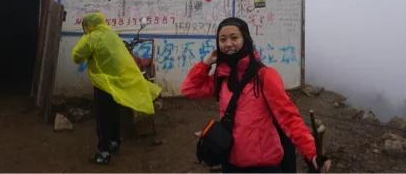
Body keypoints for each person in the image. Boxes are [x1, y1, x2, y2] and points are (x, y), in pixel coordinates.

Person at [181, 17, 330, 173]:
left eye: (234, 37)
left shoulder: (265, 76)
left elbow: (289, 118)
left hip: (263, 166)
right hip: (230, 162)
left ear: (245, 39)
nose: (228, 44)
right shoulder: (223, 77)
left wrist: (312, 152)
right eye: (222, 39)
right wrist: (205, 64)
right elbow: (189, 89)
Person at [72, 12, 162, 165]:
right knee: (114, 113)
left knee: (102, 118)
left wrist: (87, 45)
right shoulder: (112, 35)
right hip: (118, 83)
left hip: (103, 84)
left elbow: (76, 57)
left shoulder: (91, 38)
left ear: (88, 25)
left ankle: (104, 153)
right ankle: (114, 143)